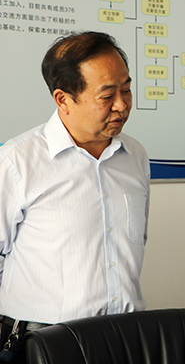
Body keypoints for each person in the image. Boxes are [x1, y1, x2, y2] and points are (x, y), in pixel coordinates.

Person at [0, 31, 150, 363]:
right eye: (106, 95)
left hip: (125, 339)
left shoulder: (135, 156)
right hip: (45, 344)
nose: (122, 105)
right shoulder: (18, 161)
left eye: (126, 89)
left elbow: (135, 242)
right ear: (63, 99)